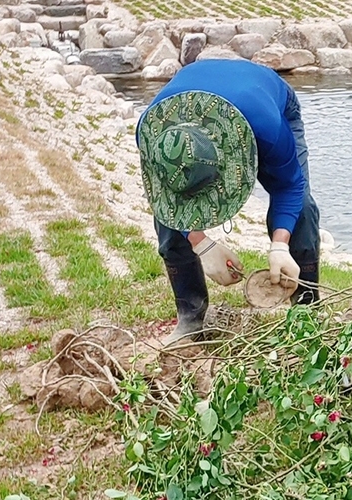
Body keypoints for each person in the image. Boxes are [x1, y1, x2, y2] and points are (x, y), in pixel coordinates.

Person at [136, 58, 321, 346]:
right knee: (168, 221)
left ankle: (307, 311)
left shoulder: (267, 127)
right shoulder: (152, 134)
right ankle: (190, 318)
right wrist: (200, 243)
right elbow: (166, 198)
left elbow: (290, 186)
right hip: (198, 94)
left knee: (303, 209)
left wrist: (280, 245)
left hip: (264, 97)